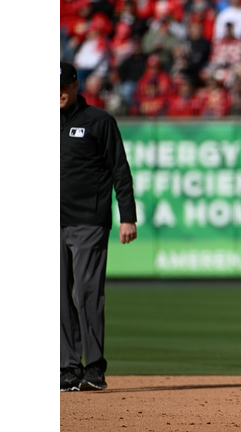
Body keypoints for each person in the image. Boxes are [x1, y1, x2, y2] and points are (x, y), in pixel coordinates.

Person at [60, 61, 138, 391]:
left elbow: (119, 170)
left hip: (88, 220)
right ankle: (66, 368)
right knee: (58, 297)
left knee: (87, 294)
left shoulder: (99, 121)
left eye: (63, 85)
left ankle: (93, 367)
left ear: (76, 84)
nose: (58, 92)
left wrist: (127, 216)